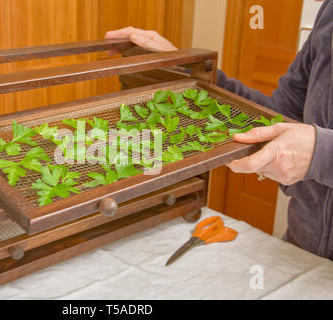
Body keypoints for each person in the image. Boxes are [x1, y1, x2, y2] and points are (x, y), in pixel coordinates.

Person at [105, 0, 332, 260]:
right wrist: (181, 67)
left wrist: (320, 153)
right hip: (303, 248)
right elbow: (276, 117)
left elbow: (317, 147)